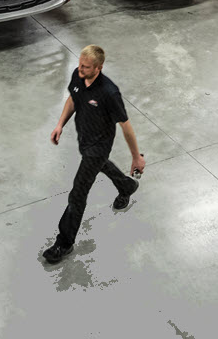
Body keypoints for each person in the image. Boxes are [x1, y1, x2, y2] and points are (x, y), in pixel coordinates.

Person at [43, 45, 146, 265]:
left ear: (98, 68)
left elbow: (125, 126)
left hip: (98, 147)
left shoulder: (109, 92)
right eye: (79, 64)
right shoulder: (79, 75)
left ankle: (64, 242)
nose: (80, 69)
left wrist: (136, 157)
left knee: (78, 194)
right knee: (101, 165)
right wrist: (60, 124)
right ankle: (127, 186)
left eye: (86, 66)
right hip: (85, 140)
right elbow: (73, 98)